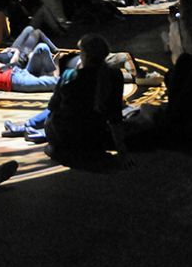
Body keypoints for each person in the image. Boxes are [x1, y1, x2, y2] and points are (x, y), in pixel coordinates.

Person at [44, 34, 133, 167]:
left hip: (63, 135)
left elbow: (52, 107)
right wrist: (122, 150)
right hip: (93, 136)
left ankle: (59, 148)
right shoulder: (115, 76)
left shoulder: (70, 75)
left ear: (84, 55)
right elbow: (115, 117)